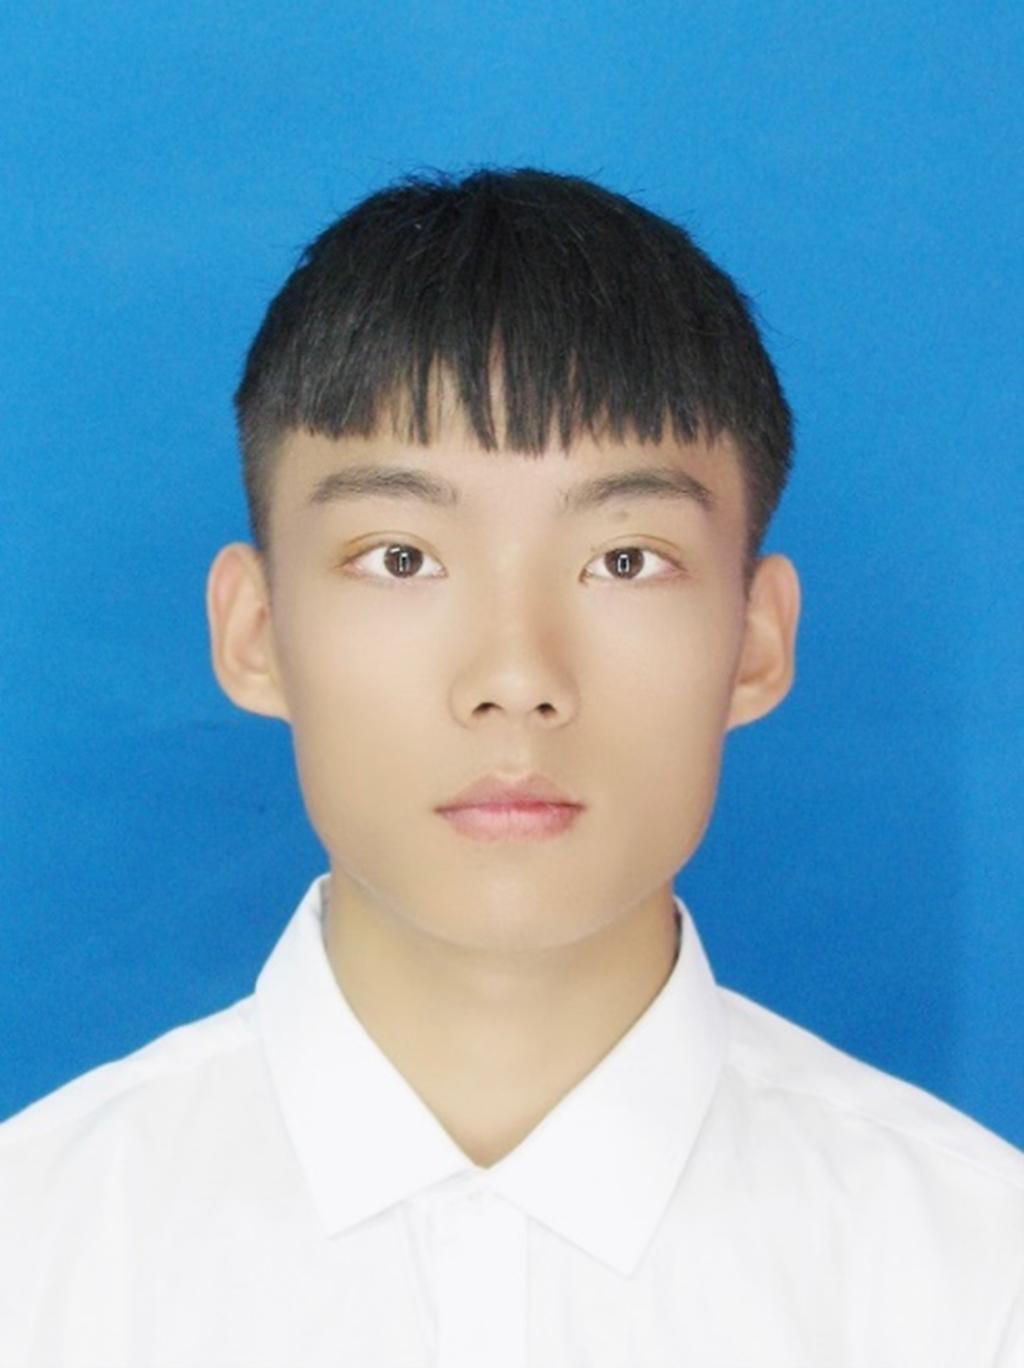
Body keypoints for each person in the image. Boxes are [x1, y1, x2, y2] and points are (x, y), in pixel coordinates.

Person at [1, 167, 1020, 1367]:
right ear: (255, 631)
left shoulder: (976, 1277)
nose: (516, 675)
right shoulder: (37, 1257)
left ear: (755, 640)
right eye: (401, 557)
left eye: (625, 561)